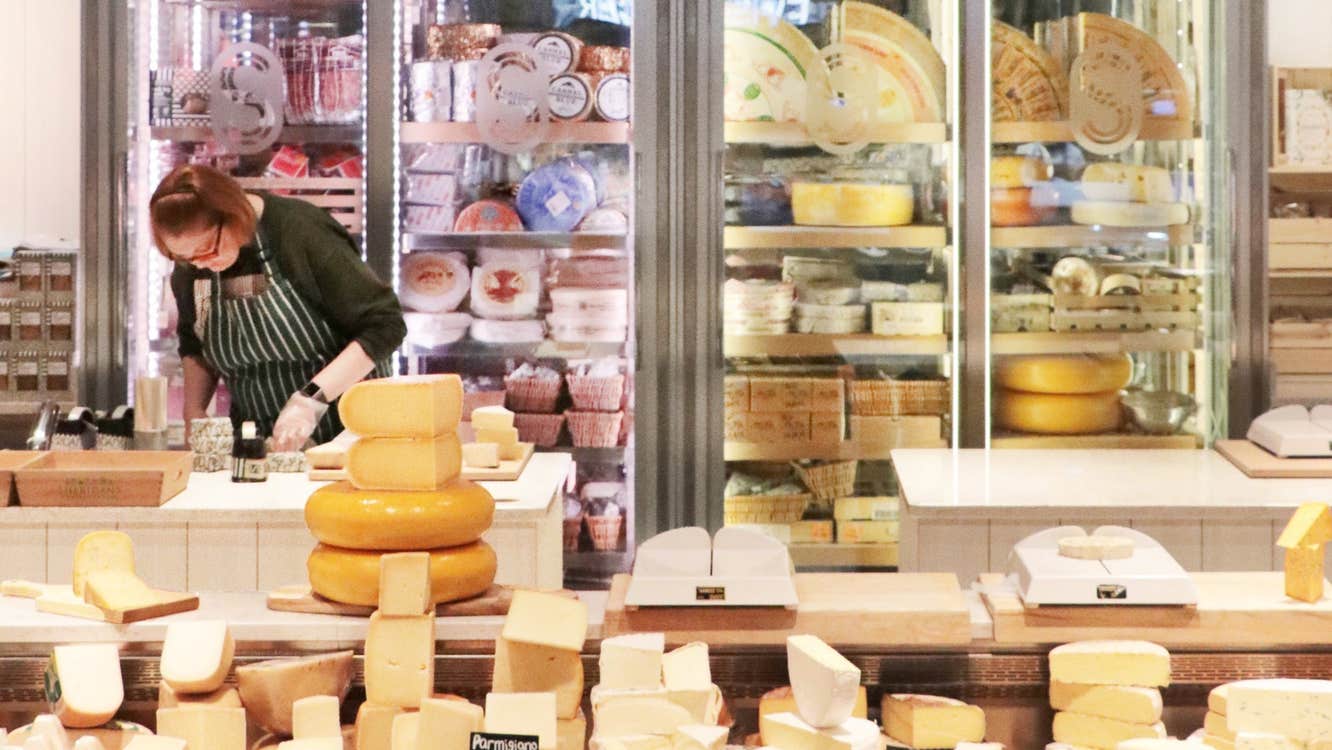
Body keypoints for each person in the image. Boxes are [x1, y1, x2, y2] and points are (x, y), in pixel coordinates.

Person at [150, 164, 405, 451]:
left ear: (235, 215)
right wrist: (193, 414)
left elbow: (386, 324)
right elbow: (195, 344)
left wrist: (310, 401)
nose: (201, 263)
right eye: (183, 257)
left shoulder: (298, 231)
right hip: (260, 443)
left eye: (208, 249)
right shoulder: (193, 267)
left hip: (350, 437)